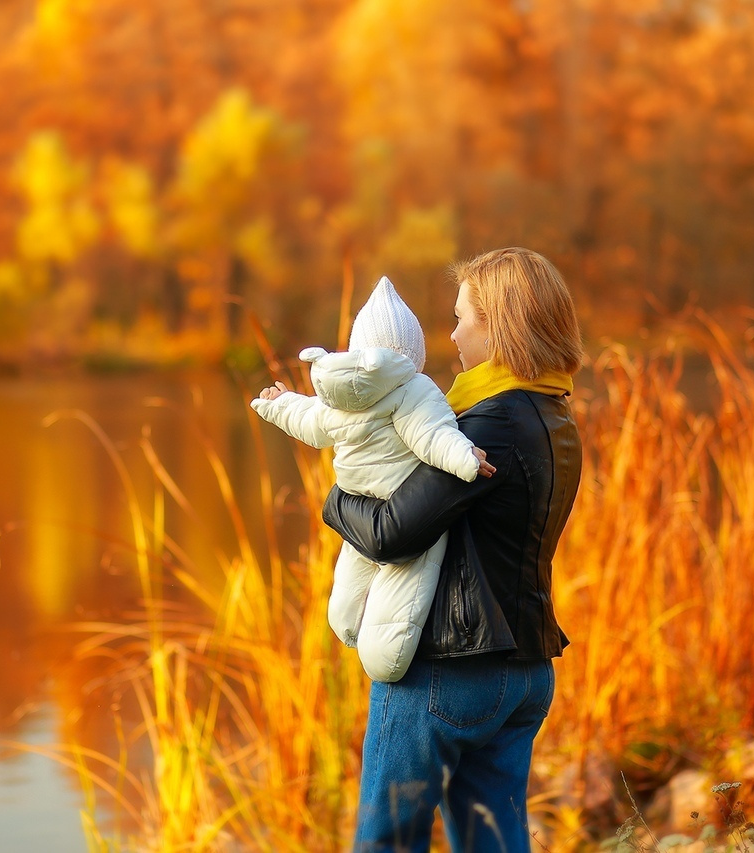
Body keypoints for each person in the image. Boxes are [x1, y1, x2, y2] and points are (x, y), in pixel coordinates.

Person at [321, 247, 584, 853]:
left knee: (387, 843)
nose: (453, 334)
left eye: (462, 318)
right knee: (494, 842)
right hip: (525, 669)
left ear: (499, 328)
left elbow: (390, 534)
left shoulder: (486, 427)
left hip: (449, 669)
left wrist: (335, 497)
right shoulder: (555, 415)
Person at [251, 275, 492, 682]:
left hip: (356, 506)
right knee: (401, 597)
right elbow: (433, 434)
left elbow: (308, 418)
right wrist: (466, 459)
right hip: (401, 503)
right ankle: (385, 662)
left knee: (346, 600)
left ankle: (346, 627)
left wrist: (277, 405)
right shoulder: (414, 390)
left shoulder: (338, 395)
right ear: (412, 355)